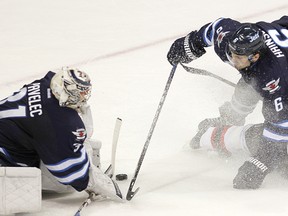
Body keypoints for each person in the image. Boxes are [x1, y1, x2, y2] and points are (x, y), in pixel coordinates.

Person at [167, 16, 288, 189]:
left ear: (255, 56)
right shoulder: (229, 41)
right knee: (251, 79)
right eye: (232, 54)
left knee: (283, 158)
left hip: (280, 74)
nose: (233, 60)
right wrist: (190, 44)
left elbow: (280, 126)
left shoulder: (274, 77)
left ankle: (225, 135)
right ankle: (230, 120)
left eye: (239, 58)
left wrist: (261, 163)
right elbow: (216, 27)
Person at [0, 67, 123, 202]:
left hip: (9, 134)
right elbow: (70, 173)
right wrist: (96, 183)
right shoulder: (55, 121)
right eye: (79, 93)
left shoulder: (45, 83)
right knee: (65, 185)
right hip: (4, 157)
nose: (83, 97)